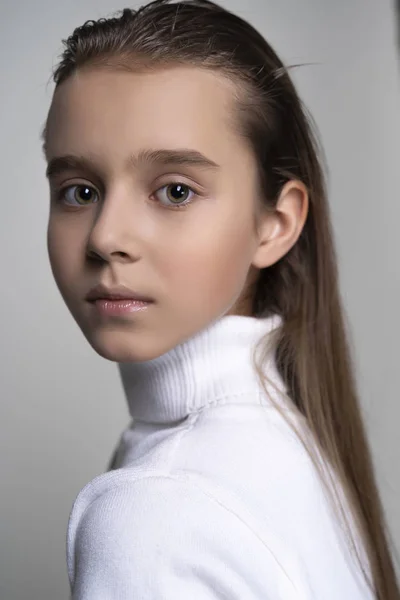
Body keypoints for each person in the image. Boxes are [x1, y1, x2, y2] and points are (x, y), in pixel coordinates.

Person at [41, 0, 399, 598]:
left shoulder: (155, 512)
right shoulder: (295, 434)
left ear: (276, 224)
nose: (105, 237)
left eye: (175, 191)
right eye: (78, 190)